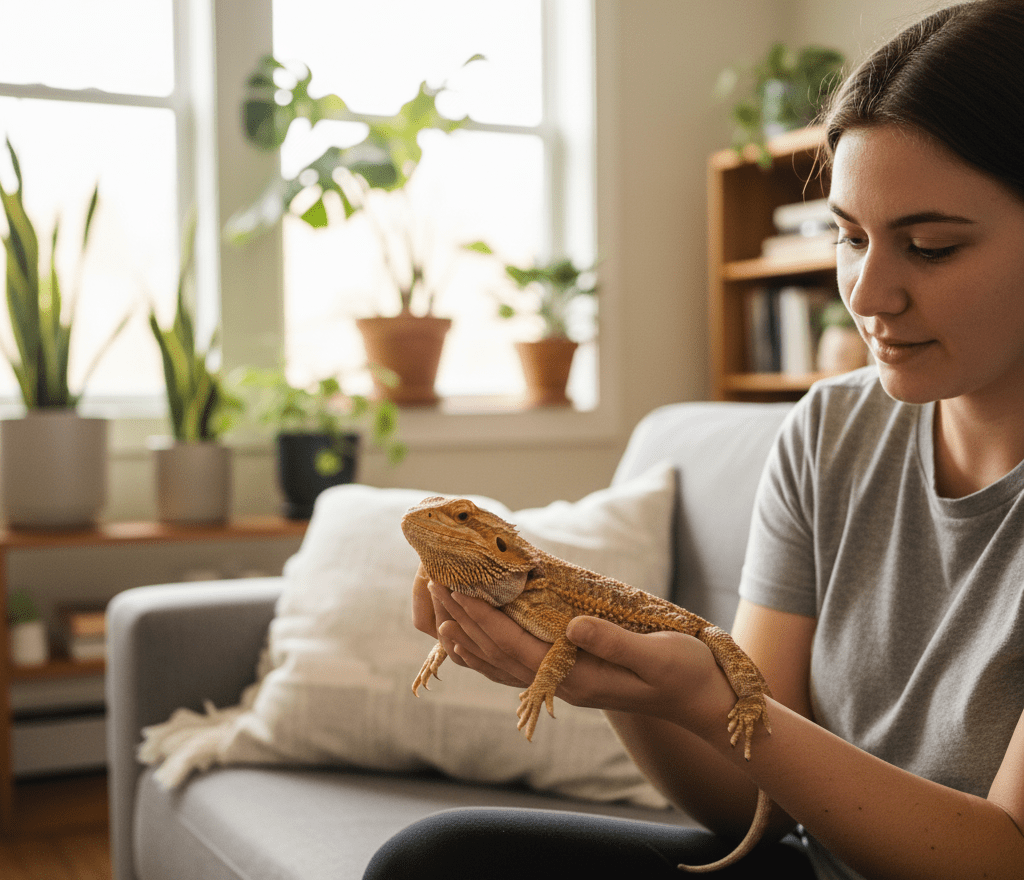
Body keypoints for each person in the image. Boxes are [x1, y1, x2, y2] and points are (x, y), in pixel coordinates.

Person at [364, 1, 1024, 877]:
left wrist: (702, 701)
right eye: (849, 236)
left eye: (930, 247)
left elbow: (1000, 858)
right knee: (437, 860)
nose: (866, 295)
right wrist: (619, 678)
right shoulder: (830, 432)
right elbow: (755, 800)